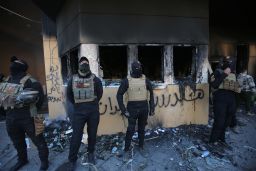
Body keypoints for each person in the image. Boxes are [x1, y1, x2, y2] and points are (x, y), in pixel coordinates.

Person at [0, 56, 48, 171]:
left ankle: (44, 163)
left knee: (40, 142)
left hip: (30, 117)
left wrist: (32, 112)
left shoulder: (32, 82)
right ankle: (22, 160)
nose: (12, 65)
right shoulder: (6, 81)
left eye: (15, 63)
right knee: (18, 142)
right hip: (11, 118)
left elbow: (40, 100)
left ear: (22, 67)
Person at [66, 56, 103, 170]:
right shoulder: (73, 79)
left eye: (86, 63)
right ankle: (72, 160)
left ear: (89, 65)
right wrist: (79, 104)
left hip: (93, 112)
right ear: (79, 65)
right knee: (76, 137)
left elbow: (100, 93)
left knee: (92, 135)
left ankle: (90, 154)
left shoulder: (95, 80)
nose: (84, 64)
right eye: (82, 63)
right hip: (78, 113)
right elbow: (69, 96)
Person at [116, 61, 155, 161]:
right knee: (130, 130)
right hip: (132, 108)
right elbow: (119, 95)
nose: (138, 70)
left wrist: (152, 108)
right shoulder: (127, 80)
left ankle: (141, 147)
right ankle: (126, 150)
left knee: (142, 129)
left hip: (143, 108)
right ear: (132, 69)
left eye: (139, 68)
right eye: (137, 68)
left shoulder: (145, 80)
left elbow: (151, 93)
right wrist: (124, 110)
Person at [209, 57, 240, 143]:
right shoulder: (217, 72)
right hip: (220, 98)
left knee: (226, 122)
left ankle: (221, 139)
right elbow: (214, 85)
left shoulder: (234, 74)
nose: (228, 65)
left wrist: (236, 105)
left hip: (231, 100)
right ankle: (213, 140)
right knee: (219, 122)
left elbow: (236, 90)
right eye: (226, 63)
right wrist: (224, 74)